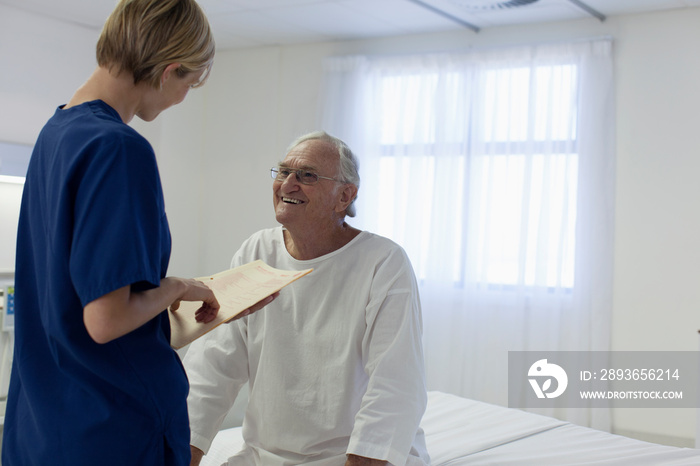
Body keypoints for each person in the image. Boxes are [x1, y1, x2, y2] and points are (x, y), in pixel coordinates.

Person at [2, 1, 274, 464]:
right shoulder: (118, 149)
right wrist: (177, 287)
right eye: (190, 83)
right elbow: (105, 321)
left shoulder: (55, 134)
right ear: (169, 70)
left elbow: (74, 306)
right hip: (111, 427)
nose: (183, 98)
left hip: (45, 424)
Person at [184, 131, 430, 466]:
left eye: (307, 176)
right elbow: (213, 366)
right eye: (284, 172)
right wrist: (184, 452)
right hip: (264, 456)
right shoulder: (256, 252)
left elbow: (396, 384)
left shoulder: (384, 263)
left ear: (344, 196)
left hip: (352, 456)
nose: (287, 185)